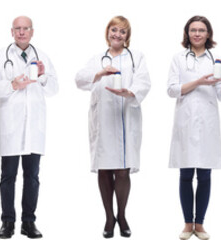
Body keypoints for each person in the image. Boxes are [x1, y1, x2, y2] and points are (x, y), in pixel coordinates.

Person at [73, 15, 150, 239]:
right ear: (108, 32)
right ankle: (109, 218)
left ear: (128, 36)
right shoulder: (98, 58)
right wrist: (99, 73)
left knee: (123, 169)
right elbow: (79, 80)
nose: (117, 34)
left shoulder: (136, 57)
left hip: (125, 115)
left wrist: (130, 92)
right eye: (114, 30)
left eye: (122, 31)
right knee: (105, 169)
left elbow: (144, 81)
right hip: (103, 118)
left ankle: (122, 215)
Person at [0, 16, 57, 239]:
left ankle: (28, 222)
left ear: (32, 31)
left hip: (34, 127)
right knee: (8, 176)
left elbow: (54, 89)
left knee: (32, 177)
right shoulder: (0, 57)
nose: (22, 32)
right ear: (11, 32)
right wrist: (11, 85)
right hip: (11, 127)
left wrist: (42, 76)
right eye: (18, 29)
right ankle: (7, 222)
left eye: (26, 29)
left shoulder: (42, 57)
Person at [167, 15, 221, 240]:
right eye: (193, 30)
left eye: (201, 30)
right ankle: (187, 224)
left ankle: (200, 224)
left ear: (208, 34)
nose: (197, 34)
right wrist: (198, 82)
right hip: (185, 121)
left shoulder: (215, 61)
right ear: (187, 33)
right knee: (185, 174)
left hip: (207, 122)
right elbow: (172, 89)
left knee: (204, 175)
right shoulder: (178, 58)